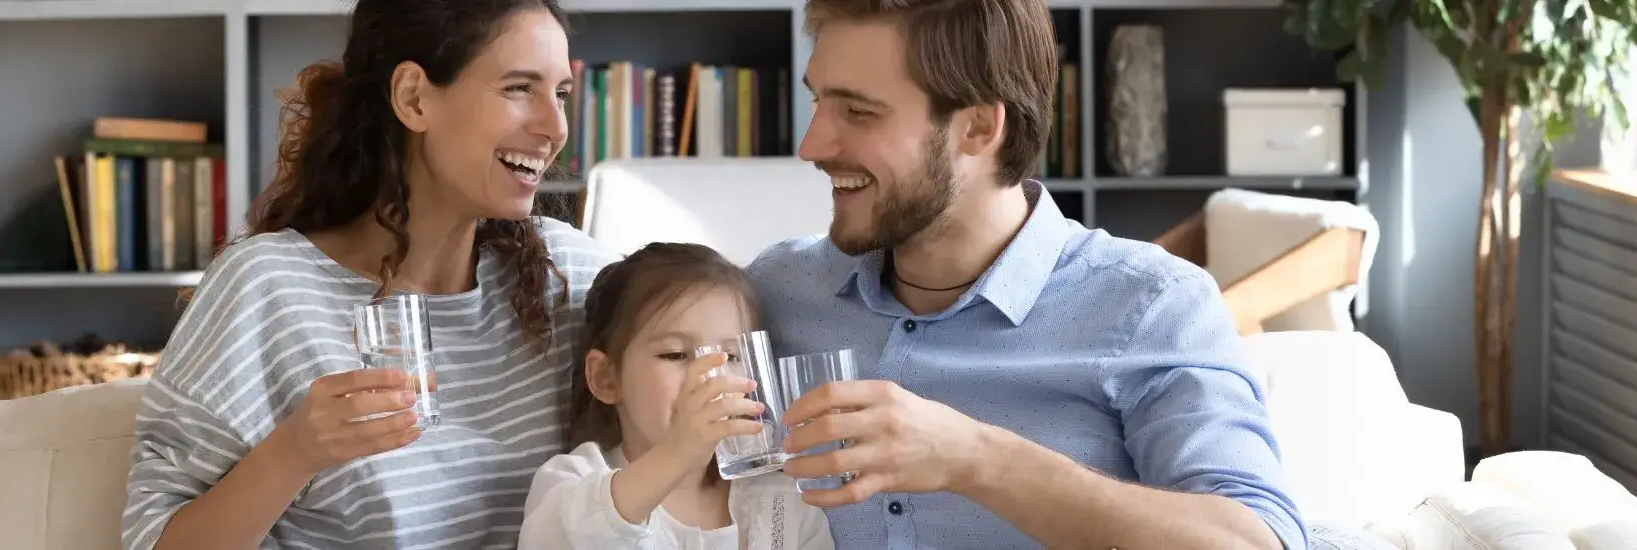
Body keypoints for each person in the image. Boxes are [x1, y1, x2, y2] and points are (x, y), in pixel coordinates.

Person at [743, 0, 1307, 548]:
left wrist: (974, 458)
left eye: (859, 112)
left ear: (979, 128)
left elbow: (1257, 541)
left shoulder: (1151, 306)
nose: (811, 145)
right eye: (817, 101)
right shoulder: (776, 292)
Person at [120, 1, 619, 548]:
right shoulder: (268, 288)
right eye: (519, 88)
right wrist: (296, 452)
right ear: (413, 97)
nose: (556, 128)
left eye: (562, 94)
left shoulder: (567, 274)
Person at [518, 243, 834, 550]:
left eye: (732, 356)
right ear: (606, 378)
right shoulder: (573, 483)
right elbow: (563, 537)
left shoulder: (784, 500)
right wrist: (678, 452)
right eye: (675, 354)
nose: (711, 377)